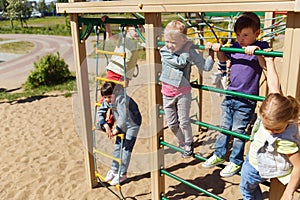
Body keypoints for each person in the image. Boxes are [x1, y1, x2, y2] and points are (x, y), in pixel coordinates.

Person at [202, 12, 270, 177]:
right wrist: (217, 48)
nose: (241, 39)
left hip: (247, 98)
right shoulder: (235, 46)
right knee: (225, 128)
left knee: (238, 131)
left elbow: (267, 58)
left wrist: (257, 50)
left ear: (257, 33)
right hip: (230, 94)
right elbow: (223, 58)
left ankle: (235, 161)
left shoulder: (261, 45)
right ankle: (219, 154)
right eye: (238, 35)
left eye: (245, 35)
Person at [240, 53, 300, 200]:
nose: (270, 131)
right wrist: (269, 61)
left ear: (287, 120)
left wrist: (288, 192)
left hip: (258, 167)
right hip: (253, 159)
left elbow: (298, 166)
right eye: (266, 126)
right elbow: (273, 85)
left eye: (276, 129)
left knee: (246, 189)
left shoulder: (286, 140)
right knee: (247, 186)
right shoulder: (274, 108)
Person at [159, 20, 215, 158]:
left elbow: (205, 67)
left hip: (183, 93)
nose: (169, 45)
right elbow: (179, 63)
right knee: (172, 124)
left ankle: (188, 143)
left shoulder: (190, 51)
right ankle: (181, 140)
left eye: (173, 42)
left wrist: (211, 53)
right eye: (167, 41)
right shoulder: (164, 51)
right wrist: (184, 50)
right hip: (167, 93)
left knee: (184, 121)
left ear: (184, 40)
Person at [97, 82, 142, 186]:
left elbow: (123, 117)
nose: (107, 99)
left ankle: (122, 173)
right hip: (123, 123)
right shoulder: (107, 100)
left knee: (126, 148)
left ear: (115, 93)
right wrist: (105, 125)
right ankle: (114, 169)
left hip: (132, 123)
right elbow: (100, 112)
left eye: (109, 97)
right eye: (105, 97)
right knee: (117, 146)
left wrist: (116, 129)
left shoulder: (121, 99)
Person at [101, 16, 145, 86]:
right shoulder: (124, 36)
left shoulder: (138, 42)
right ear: (127, 29)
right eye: (135, 30)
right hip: (115, 71)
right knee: (109, 92)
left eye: (140, 29)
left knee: (119, 95)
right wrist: (107, 24)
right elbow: (109, 37)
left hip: (125, 75)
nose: (138, 32)